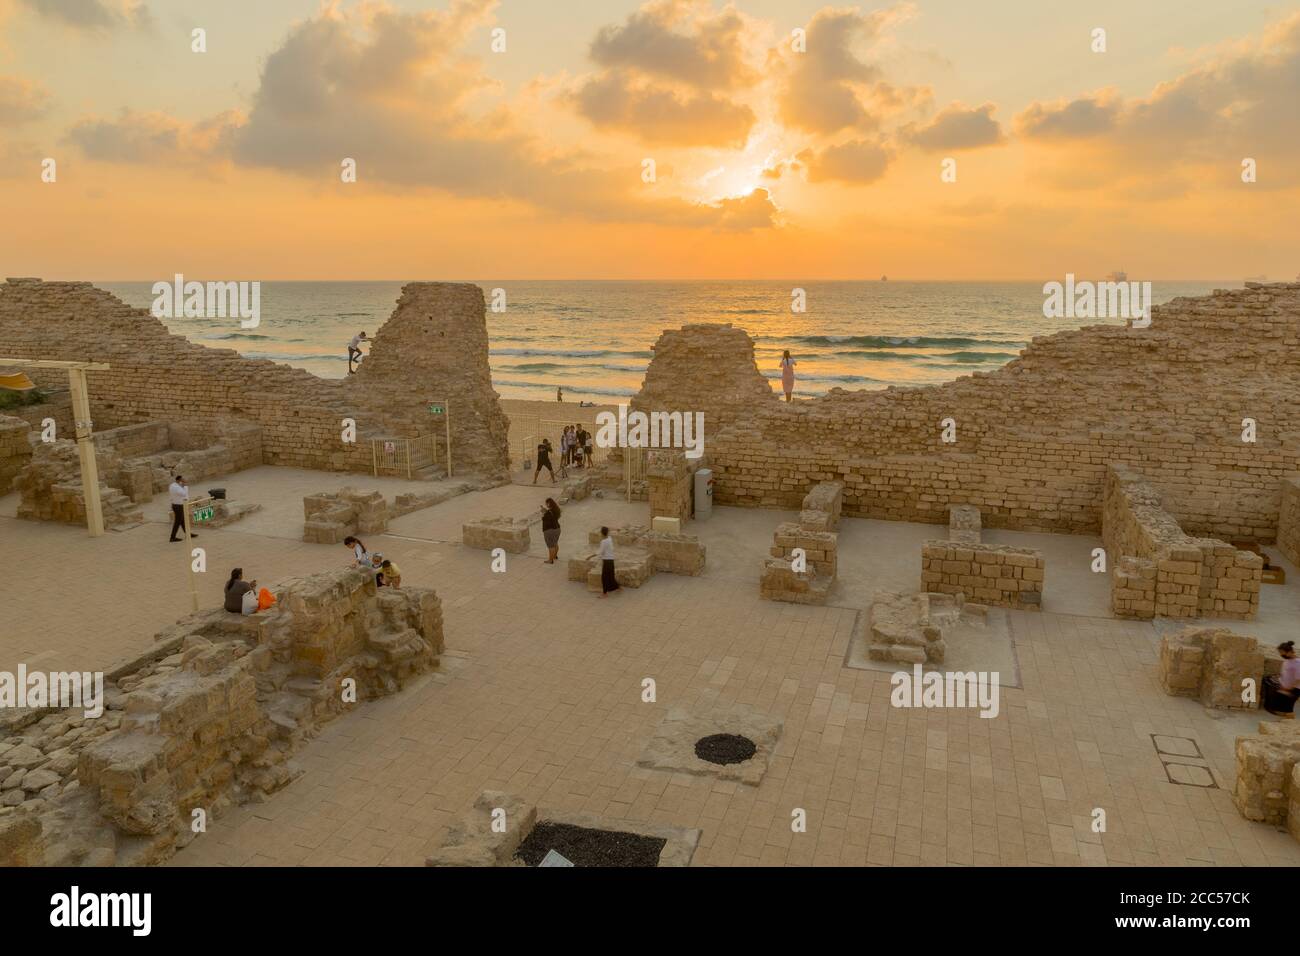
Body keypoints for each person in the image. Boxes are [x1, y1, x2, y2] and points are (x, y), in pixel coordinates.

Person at [1265, 641, 1300, 716]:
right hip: (1284, 688)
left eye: (1282, 652)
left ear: (1290, 652)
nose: (1281, 654)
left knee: (1287, 710)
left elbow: (1298, 679)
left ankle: (1289, 724)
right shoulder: (1287, 661)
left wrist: (1289, 689)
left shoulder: (1298, 663)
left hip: (1293, 689)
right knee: (1279, 709)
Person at [168, 474, 196, 542]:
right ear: (179, 480)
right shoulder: (176, 487)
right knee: (178, 522)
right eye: (182, 480)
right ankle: (172, 537)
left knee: (183, 521)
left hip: (177, 505)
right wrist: (185, 486)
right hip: (178, 506)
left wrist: (182, 486)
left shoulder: (174, 485)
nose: (183, 482)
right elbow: (184, 494)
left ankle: (188, 534)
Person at [598, 526, 619, 597]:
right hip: (611, 560)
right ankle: (617, 587)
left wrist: (597, 556)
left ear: (602, 533)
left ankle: (605, 593)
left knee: (604, 577)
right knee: (611, 575)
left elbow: (601, 552)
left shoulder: (603, 542)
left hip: (606, 561)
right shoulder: (610, 539)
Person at [542, 498, 562, 564]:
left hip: (549, 530)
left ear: (549, 503)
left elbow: (546, 520)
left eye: (546, 503)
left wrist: (544, 513)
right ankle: (555, 556)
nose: (546, 504)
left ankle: (550, 560)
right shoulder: (556, 510)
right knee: (555, 543)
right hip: (557, 529)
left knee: (551, 546)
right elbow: (553, 517)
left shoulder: (548, 513)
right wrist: (546, 512)